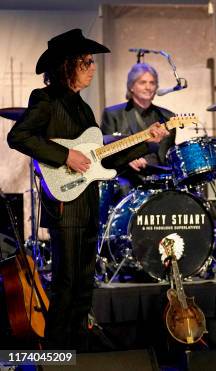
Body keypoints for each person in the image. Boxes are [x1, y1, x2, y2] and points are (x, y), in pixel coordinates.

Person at [7, 29, 169, 349]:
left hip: (87, 202)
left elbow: (100, 158)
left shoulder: (83, 108)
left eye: (92, 61)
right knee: (66, 284)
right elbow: (20, 137)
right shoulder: (46, 99)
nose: (93, 67)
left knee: (83, 284)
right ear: (67, 66)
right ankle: (56, 351)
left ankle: (79, 345)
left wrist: (145, 143)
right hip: (65, 204)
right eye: (86, 61)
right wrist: (65, 154)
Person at [101, 63, 176, 189]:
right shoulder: (113, 114)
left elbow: (170, 155)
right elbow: (104, 152)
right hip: (126, 178)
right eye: (143, 82)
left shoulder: (168, 116)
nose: (148, 87)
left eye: (152, 83)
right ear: (131, 86)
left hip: (160, 179)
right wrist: (128, 159)